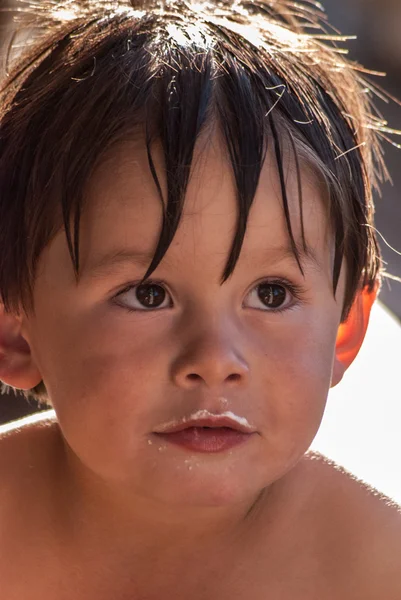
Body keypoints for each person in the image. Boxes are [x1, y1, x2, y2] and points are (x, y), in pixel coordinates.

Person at [0, 0, 400, 597]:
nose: (214, 359)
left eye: (271, 293)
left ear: (344, 330)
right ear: (14, 330)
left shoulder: (371, 566)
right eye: (148, 293)